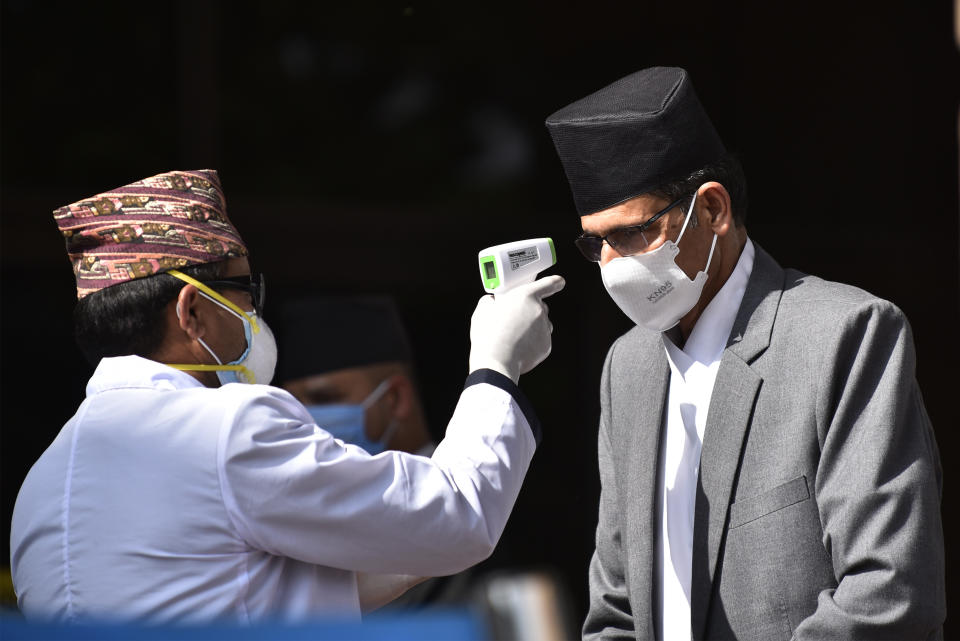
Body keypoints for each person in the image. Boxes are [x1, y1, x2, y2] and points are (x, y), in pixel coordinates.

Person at [9, 169, 565, 623]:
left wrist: (408, 541)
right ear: (192, 312)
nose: (254, 313)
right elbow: (457, 515)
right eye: (245, 290)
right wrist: (497, 364)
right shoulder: (226, 429)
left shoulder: (41, 484)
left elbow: (271, 594)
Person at [544, 67, 945, 640]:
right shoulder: (627, 366)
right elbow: (617, 612)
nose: (613, 264)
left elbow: (890, 593)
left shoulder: (842, 335)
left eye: (634, 234)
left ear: (712, 210)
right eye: (597, 243)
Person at [276, 294, 476, 608]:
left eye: (326, 398)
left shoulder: (479, 505)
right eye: (294, 406)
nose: (306, 419)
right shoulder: (301, 516)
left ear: (395, 399)